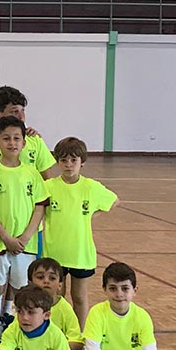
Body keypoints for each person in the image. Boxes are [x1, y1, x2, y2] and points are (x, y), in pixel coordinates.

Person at [0, 116, 49, 336]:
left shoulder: (32, 174)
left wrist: (25, 237)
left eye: (17, 138)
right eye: (6, 138)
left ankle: (13, 328)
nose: (12, 142)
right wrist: (6, 237)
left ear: (24, 142)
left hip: (26, 244)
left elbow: (40, 208)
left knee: (20, 288)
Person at [43, 136, 119, 323]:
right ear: (58, 162)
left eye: (73, 160)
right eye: (64, 160)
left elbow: (114, 201)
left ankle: (81, 335)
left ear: (82, 162)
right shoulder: (48, 187)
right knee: (55, 299)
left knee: (79, 297)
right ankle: (57, 333)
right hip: (54, 252)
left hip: (80, 253)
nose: (69, 164)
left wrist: (90, 215)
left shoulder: (90, 187)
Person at [84, 262, 176, 350]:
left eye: (125, 288)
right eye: (113, 288)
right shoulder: (97, 312)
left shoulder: (142, 316)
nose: (119, 294)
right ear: (104, 289)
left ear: (135, 290)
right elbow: (92, 349)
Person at [0, 86, 56, 178]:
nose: (21, 117)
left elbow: (47, 178)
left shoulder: (34, 139)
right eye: (14, 111)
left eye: (22, 110)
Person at [29, 257, 83, 350]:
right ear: (30, 283)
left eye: (52, 278)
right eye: (40, 277)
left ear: (60, 285)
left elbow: (76, 341)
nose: (46, 281)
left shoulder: (65, 309)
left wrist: (56, 349)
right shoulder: (26, 307)